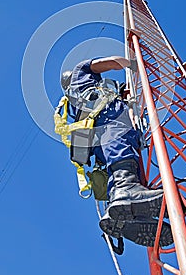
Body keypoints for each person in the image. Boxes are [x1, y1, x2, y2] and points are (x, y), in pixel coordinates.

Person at [60, 56, 173, 247]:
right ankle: (126, 191)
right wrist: (132, 64)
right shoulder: (82, 71)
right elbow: (112, 61)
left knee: (119, 160)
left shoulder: (70, 101)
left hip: (93, 137)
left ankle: (121, 213)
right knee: (121, 148)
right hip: (108, 118)